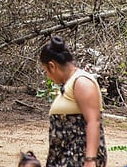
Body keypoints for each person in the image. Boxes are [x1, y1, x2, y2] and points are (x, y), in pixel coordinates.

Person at [39, 35, 107, 167]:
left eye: (46, 71)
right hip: (64, 156)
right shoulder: (69, 84)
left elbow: (93, 121)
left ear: (52, 66)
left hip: (78, 157)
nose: (47, 75)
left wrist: (90, 159)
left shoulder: (81, 82)